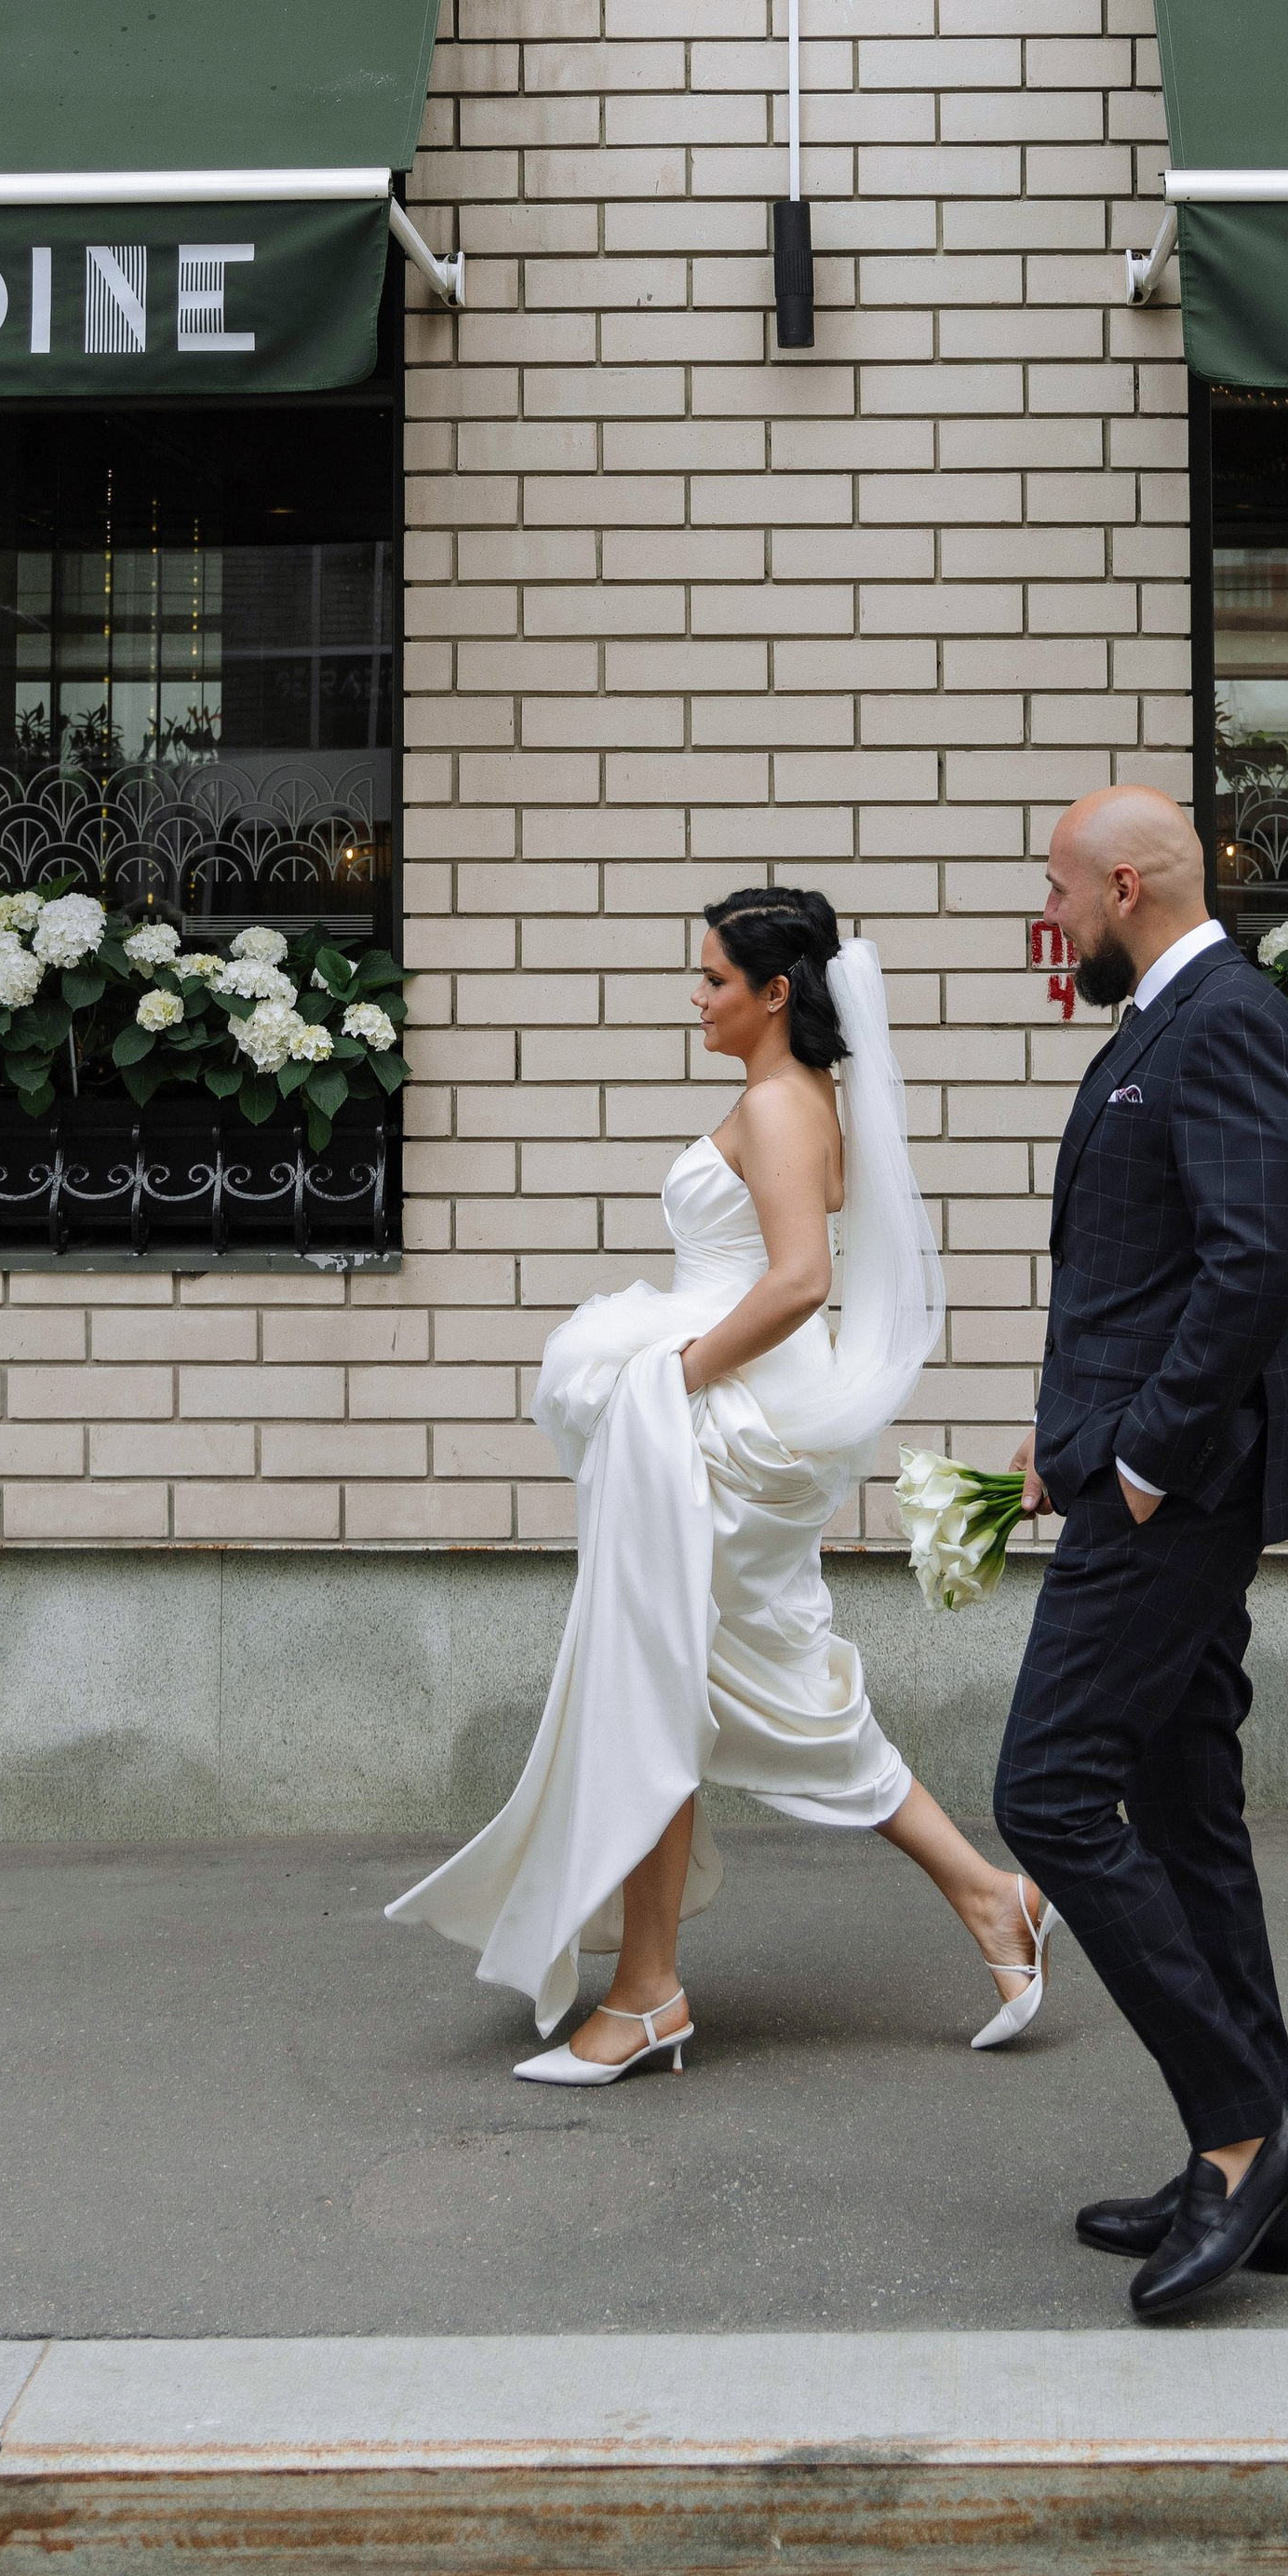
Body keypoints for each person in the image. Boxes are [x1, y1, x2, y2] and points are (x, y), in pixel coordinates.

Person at [389, 886, 1058, 2079]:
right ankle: (689, 1978)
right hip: (725, 1413)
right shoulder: (787, 1098)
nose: (694, 997)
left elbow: (800, 1278)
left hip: (730, 1422)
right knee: (689, 1685)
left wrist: (677, 1375)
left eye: (711, 979)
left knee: (684, 1681)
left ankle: (659, 1992)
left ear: (776, 993)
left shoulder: (781, 1104)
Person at [992, 785, 1288, 2322]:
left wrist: (1134, 1462)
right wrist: (1063, 1438)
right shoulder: (1158, 1026)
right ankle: (1256, 2148)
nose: (1049, 921)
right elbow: (1146, 1270)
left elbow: (1256, 1262)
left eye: (1060, 893)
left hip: (1175, 1497)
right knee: (1186, 1805)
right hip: (1135, 1476)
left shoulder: (1227, 1018)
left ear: (1124, 883)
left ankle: (1242, 2134)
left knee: (1049, 1789)